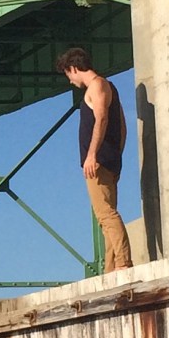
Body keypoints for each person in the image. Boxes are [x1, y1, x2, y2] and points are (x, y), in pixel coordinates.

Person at [55, 47, 132, 273]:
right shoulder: (109, 87)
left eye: (68, 74)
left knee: (105, 214)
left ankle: (124, 263)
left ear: (74, 68)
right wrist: (117, 153)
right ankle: (111, 269)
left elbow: (102, 118)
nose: (70, 81)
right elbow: (123, 125)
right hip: (110, 158)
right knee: (106, 218)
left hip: (98, 161)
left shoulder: (96, 86)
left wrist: (92, 155)